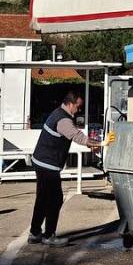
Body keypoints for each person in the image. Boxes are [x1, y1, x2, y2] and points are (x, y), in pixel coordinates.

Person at [29, 89, 96, 247]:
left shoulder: (58, 113)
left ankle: (35, 233)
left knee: (43, 198)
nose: (78, 110)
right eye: (77, 107)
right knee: (55, 199)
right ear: (70, 104)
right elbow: (77, 136)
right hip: (48, 164)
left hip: (41, 161)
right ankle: (48, 235)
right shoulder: (63, 119)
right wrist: (97, 143)